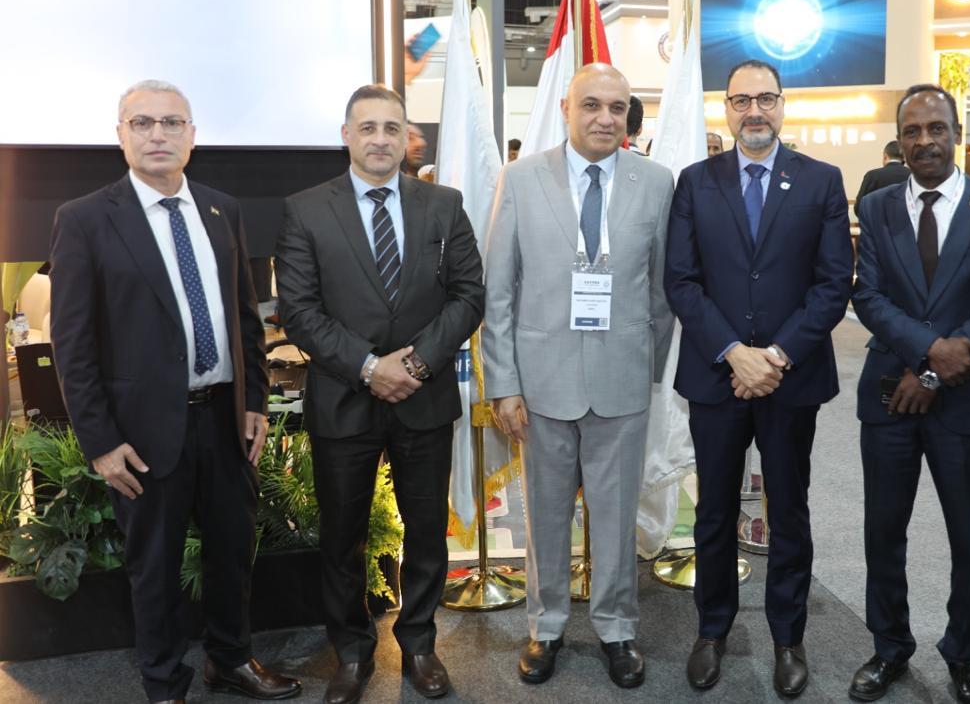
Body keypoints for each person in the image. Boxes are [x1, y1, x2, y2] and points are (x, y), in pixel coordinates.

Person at [49, 79, 301, 704]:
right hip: (141, 433)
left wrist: (253, 402)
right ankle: (164, 683)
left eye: (171, 122)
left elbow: (245, 319)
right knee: (154, 566)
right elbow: (73, 345)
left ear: (192, 135)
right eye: (142, 123)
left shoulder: (221, 209)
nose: (157, 134)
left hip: (224, 419)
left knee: (232, 551)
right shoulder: (85, 219)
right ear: (121, 136)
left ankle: (230, 660)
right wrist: (100, 442)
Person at [274, 84, 485, 704]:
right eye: (367, 127)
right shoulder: (306, 210)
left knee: (427, 530)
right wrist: (369, 368)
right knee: (343, 536)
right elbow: (299, 311)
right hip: (345, 399)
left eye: (392, 128)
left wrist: (414, 363)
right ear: (346, 136)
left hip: (423, 395)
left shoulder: (443, 204)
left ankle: (418, 643)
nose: (380, 139)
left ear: (406, 137)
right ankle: (352, 650)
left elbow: (469, 294)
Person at [665, 59, 853, 697]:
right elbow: (681, 281)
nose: (754, 111)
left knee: (789, 511)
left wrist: (773, 356)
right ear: (726, 108)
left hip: (789, 380)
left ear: (782, 105)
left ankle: (788, 637)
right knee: (714, 511)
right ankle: (711, 629)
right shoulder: (695, 182)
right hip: (716, 378)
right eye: (741, 100)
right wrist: (732, 353)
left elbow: (833, 284)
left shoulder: (821, 180)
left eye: (765, 99)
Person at [483, 63, 674, 690]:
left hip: (622, 380)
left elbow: (662, 291)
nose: (604, 118)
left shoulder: (656, 182)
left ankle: (617, 628)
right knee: (544, 513)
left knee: (617, 515)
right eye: (591, 105)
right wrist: (504, 383)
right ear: (567, 109)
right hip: (541, 384)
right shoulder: (521, 178)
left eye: (617, 108)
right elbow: (499, 291)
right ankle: (546, 626)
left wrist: (647, 368)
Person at [849, 85, 970, 704]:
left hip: (966, 397)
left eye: (937, 128)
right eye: (913, 131)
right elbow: (868, 295)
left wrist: (930, 373)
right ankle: (889, 647)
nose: (925, 140)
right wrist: (928, 353)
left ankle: (965, 654)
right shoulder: (877, 207)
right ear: (900, 140)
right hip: (888, 396)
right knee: (883, 531)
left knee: (969, 535)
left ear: (957, 133)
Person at [853, 139, 911, 206]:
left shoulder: (872, 175)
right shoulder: (913, 175)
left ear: (885, 156)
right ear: (904, 157)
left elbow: (859, 206)